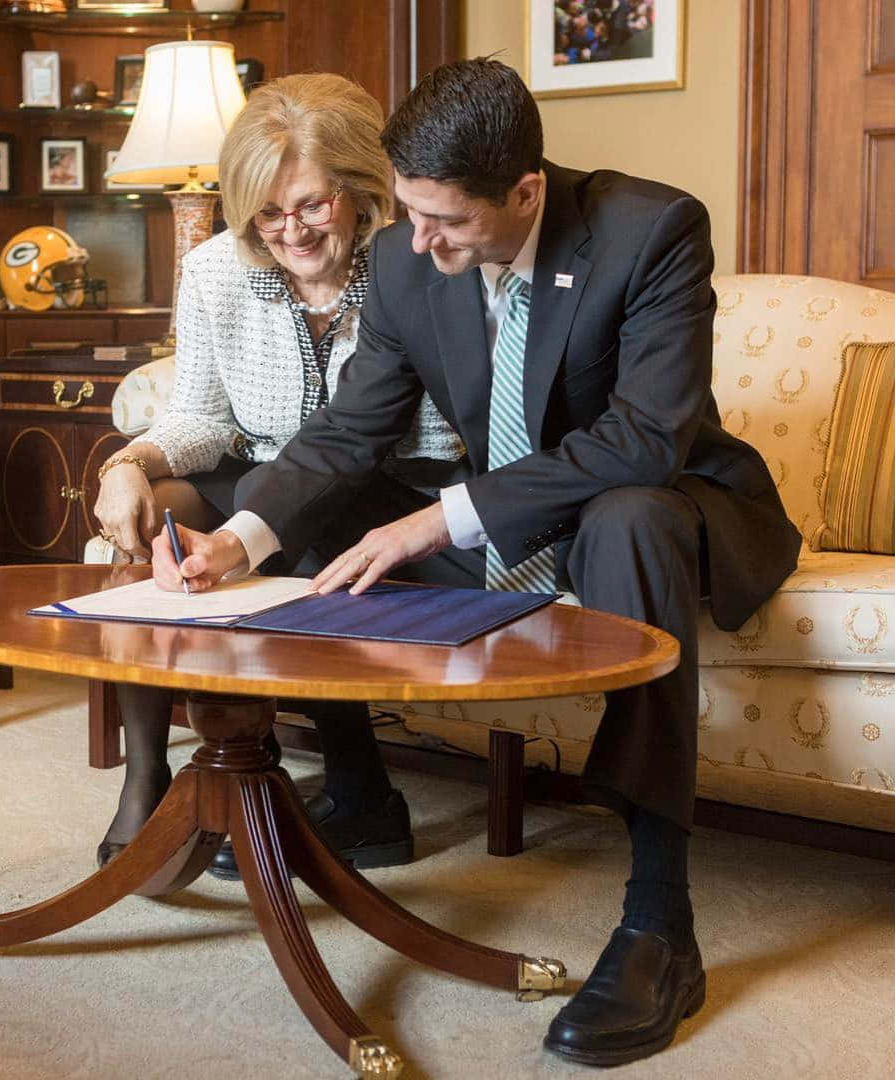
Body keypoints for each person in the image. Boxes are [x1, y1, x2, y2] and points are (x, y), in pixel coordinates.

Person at [155, 58, 801, 1066]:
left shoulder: (652, 231)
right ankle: (364, 800)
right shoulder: (412, 261)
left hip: (654, 519)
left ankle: (659, 922)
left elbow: (643, 442)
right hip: (516, 534)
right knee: (342, 505)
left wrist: (441, 520)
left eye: (446, 221)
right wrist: (240, 538)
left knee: (630, 515)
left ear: (527, 191)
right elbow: (347, 431)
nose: (417, 242)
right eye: (410, 215)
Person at [91, 73, 471, 876]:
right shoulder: (217, 271)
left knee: (320, 511)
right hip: (268, 473)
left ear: (362, 189)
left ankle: (364, 798)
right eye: (266, 211)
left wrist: (286, 497)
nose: (288, 231)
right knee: (154, 511)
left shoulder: (420, 263)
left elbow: (438, 431)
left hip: (401, 486)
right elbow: (202, 416)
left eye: (311, 205)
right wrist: (127, 462)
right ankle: (151, 781)